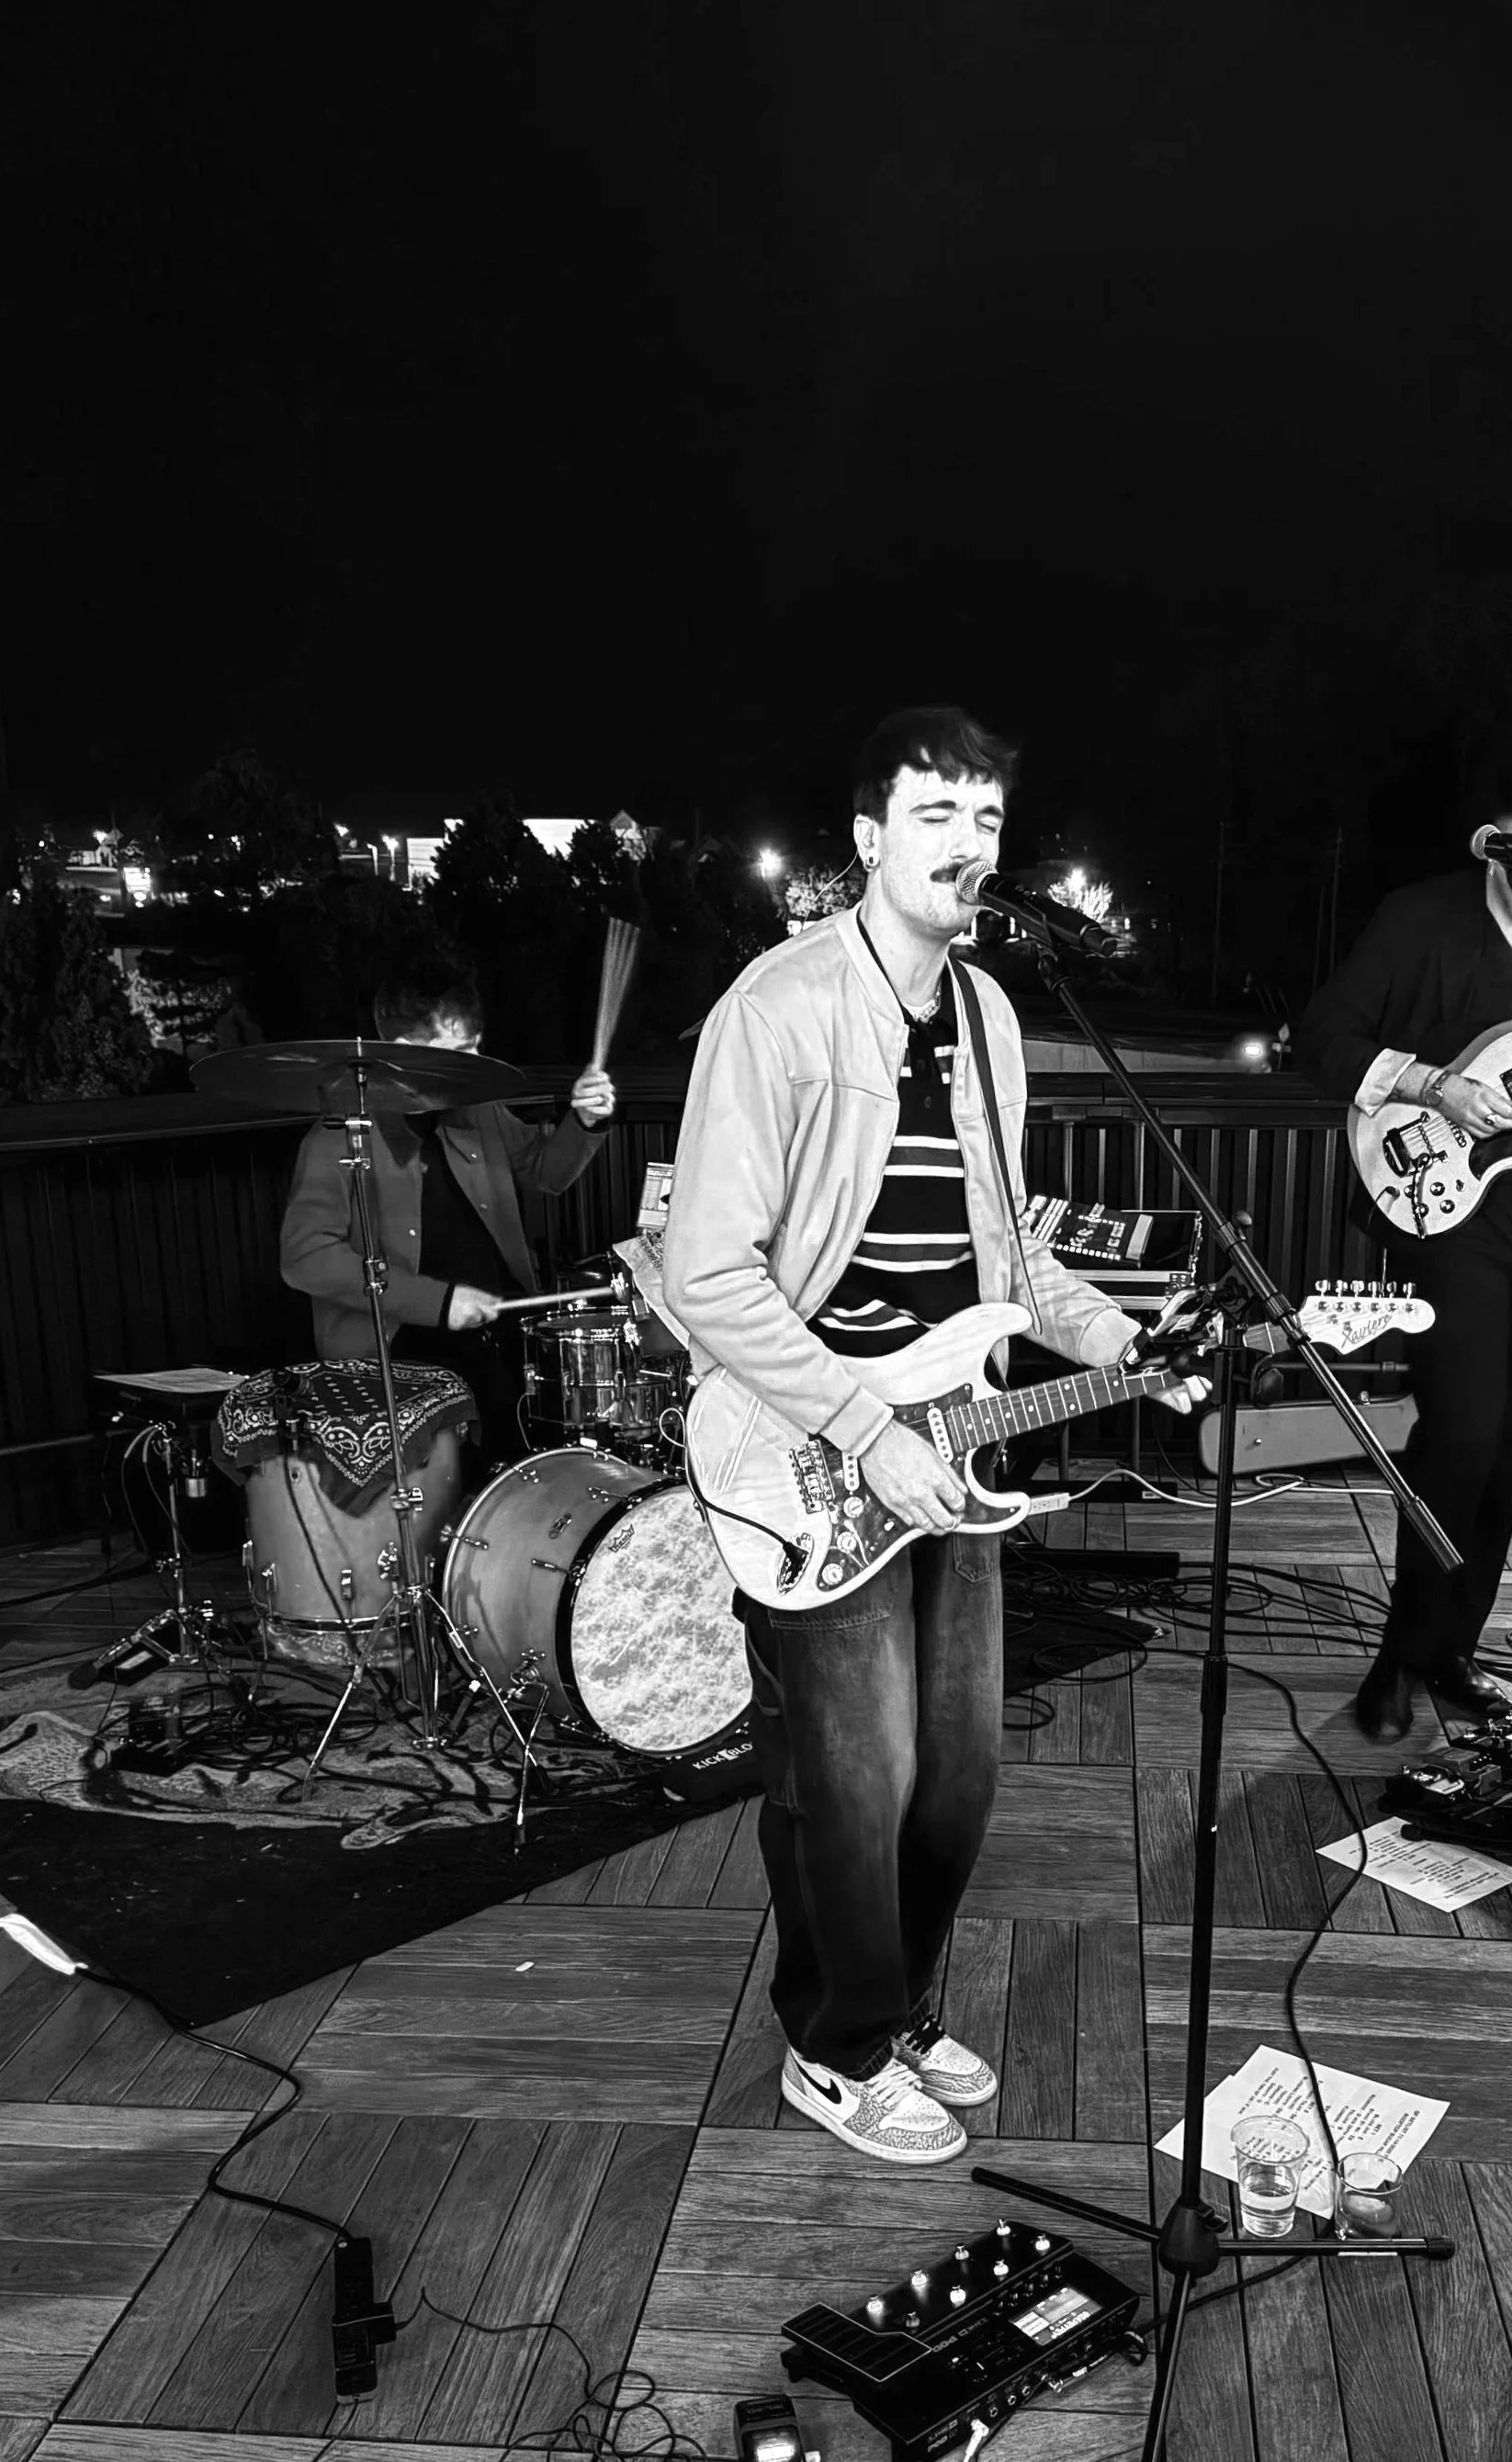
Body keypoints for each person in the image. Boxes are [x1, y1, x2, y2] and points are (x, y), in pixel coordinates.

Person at [663, 706, 1201, 2164]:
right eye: (935, 816)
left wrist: (1118, 1344)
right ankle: (833, 2051)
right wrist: (862, 1425)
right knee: (854, 1776)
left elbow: (1011, 1253)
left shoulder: (991, 1019)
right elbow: (706, 1274)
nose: (968, 845)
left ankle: (894, 2007)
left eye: (986, 821)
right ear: (868, 839)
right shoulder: (777, 1010)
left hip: (951, 1438)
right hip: (809, 1440)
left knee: (958, 1771)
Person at [1296, 739, 1512, 1741]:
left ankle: (1456, 1649)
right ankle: (1398, 1657)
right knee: (1458, 1435)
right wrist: (1433, 1084)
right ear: (1492, 841)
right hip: (1447, 1211)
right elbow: (1322, 1039)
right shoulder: (1420, 919)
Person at [279, 952, 615, 1470]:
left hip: (504, 1334)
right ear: (404, 1053)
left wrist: (585, 1121)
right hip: (403, 1359)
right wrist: (436, 1302)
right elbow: (306, 1258)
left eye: (477, 1047)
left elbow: (545, 1171)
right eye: (460, 1052)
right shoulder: (336, 1140)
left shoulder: (479, 1111)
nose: (477, 1063)